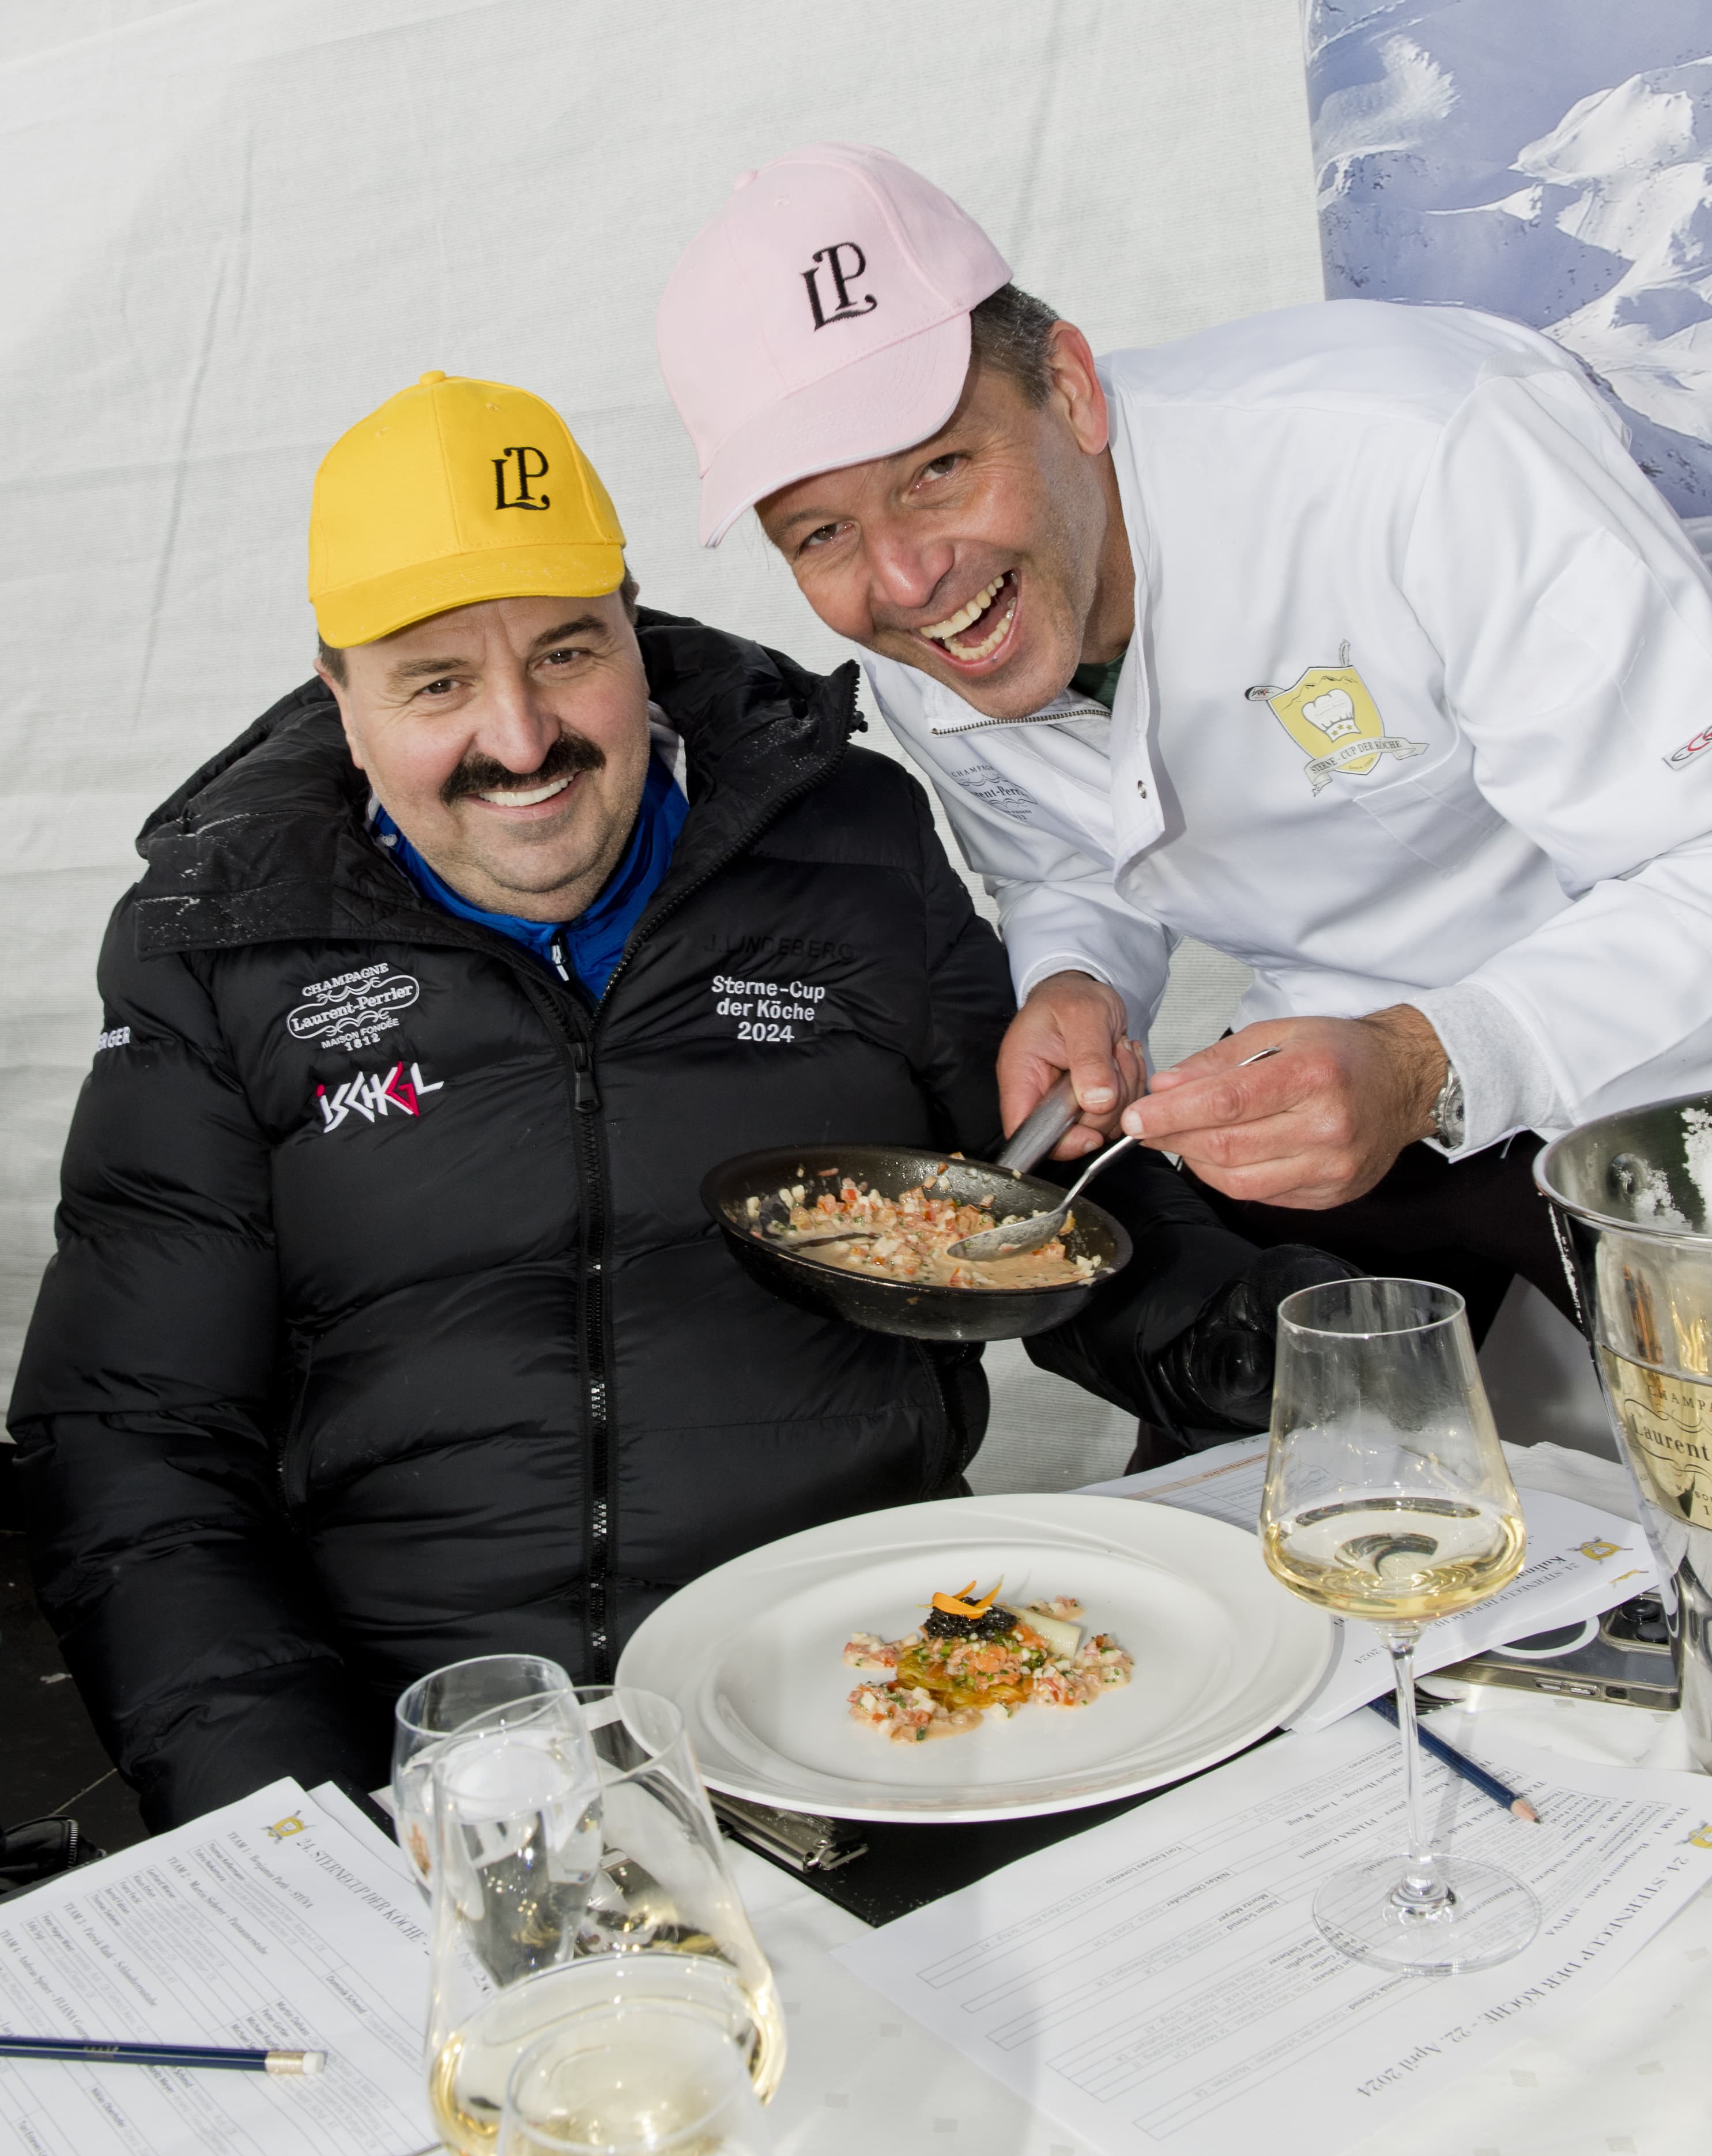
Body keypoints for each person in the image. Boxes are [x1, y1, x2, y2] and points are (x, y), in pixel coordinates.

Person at [9, 370, 1333, 1831]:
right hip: (446, 1746)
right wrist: (297, 1820)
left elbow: (1026, 1207)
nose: (523, 740)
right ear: (343, 700)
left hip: (868, 1694)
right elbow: (136, 1436)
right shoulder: (221, 944)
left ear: (633, 631)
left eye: (567, 653)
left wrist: (1290, 1354)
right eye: (436, 683)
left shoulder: (845, 841)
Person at [657, 142, 1712, 1337]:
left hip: (1660, 1060)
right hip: (1316, 1064)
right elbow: (1063, 860)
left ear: (1070, 388)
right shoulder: (929, 630)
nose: (903, 577)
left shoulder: (1416, 449)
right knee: (1250, 1443)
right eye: (820, 532)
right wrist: (1079, 977)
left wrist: (1430, 1059)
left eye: (938, 469)